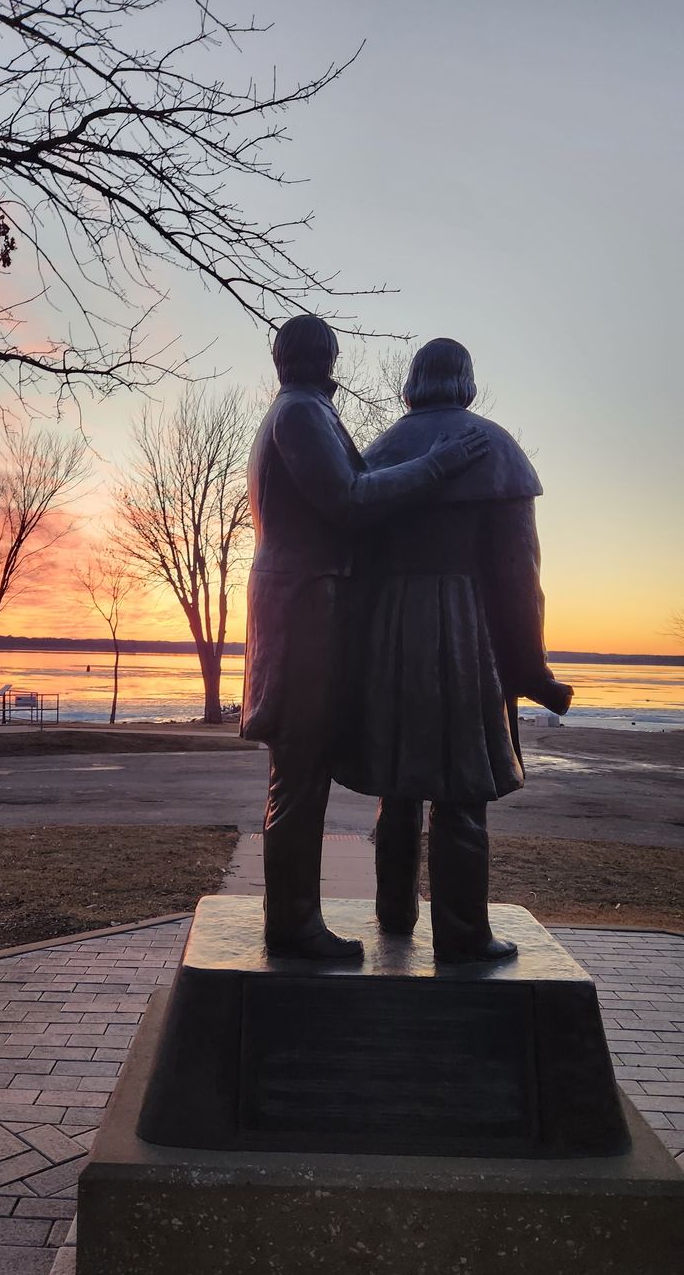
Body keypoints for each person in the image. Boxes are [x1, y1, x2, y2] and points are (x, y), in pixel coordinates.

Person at [240, 316, 489, 961]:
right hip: (304, 608)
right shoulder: (300, 414)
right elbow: (349, 499)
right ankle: (293, 925)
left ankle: (294, 919)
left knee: (300, 773)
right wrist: (436, 465)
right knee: (299, 775)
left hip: (303, 603)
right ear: (327, 359)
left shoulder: (300, 411)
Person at [333, 337, 573, 963]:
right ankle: (463, 934)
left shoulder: (382, 451)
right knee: (460, 793)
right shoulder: (492, 448)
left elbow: (356, 567)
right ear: (466, 381)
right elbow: (519, 578)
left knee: (398, 788)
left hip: (389, 637)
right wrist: (531, 668)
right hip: (466, 635)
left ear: (412, 382)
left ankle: (394, 913)